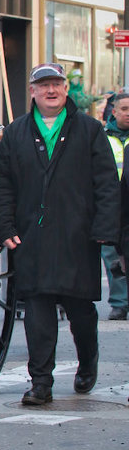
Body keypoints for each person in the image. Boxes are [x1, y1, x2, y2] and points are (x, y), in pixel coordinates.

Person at [0, 62, 119, 406]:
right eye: (43, 85)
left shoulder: (90, 130)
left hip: (77, 236)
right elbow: (2, 185)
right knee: (38, 312)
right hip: (31, 238)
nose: (50, 90)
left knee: (80, 311)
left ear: (65, 90)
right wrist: (4, 227)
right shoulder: (16, 132)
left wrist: (105, 229)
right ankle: (41, 384)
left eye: (56, 84)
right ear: (32, 91)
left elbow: (107, 184)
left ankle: (87, 359)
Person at [103, 93, 129, 320]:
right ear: (114, 112)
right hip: (111, 203)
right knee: (112, 255)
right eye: (124, 109)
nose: (128, 114)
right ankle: (120, 303)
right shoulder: (103, 138)